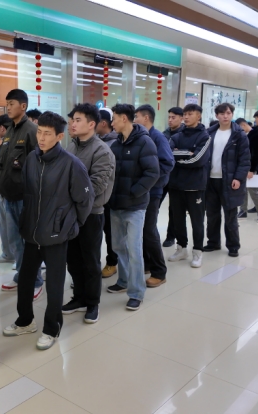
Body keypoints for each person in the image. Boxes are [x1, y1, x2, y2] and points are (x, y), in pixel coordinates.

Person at [2, 111, 93, 349]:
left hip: (56, 234)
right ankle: (25, 321)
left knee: (54, 284)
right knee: (25, 280)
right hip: (32, 232)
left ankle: (52, 328)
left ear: (60, 136)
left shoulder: (71, 164)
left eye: (47, 134)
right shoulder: (32, 158)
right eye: (39, 132)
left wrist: (70, 224)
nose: (41, 138)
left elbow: (85, 200)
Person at [61, 104, 114, 323]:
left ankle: (92, 303)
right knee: (72, 259)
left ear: (92, 124)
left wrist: (67, 193)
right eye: (72, 120)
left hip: (91, 213)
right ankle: (79, 298)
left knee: (90, 261)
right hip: (71, 212)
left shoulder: (102, 151)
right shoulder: (71, 146)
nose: (73, 124)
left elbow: (96, 185)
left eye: (78, 120)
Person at [106, 104, 159, 310]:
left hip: (135, 206)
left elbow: (153, 173)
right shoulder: (116, 143)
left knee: (135, 249)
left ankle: (136, 292)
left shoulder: (145, 142)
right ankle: (123, 280)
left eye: (114, 118)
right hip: (116, 204)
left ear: (124, 119)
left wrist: (133, 192)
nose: (112, 123)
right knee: (118, 246)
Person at [0, 89, 44, 299]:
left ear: (23, 106)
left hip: (24, 198)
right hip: (8, 196)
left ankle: (35, 280)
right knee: (15, 241)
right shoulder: (10, 131)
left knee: (28, 242)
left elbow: (39, 165)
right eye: (7, 103)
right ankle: (22, 275)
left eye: (11, 103)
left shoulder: (32, 131)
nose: (8, 107)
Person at [133, 104, 174, 288]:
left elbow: (167, 163)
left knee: (149, 230)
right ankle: (147, 264)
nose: (134, 120)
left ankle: (159, 271)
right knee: (142, 229)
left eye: (136, 117)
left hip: (153, 191)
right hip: (142, 191)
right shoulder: (140, 137)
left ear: (146, 118)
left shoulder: (158, 137)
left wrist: (152, 180)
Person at [167, 104, 210, 268]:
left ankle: (198, 251)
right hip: (176, 185)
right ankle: (181, 249)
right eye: (185, 114)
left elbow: (198, 159)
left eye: (190, 114)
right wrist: (188, 152)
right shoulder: (177, 135)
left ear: (198, 116)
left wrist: (179, 158)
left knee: (197, 221)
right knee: (177, 220)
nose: (186, 117)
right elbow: (168, 155)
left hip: (195, 186)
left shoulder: (205, 137)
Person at [204, 103, 250, 257]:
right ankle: (213, 242)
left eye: (228, 113)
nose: (225, 116)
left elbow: (244, 160)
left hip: (230, 181)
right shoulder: (209, 133)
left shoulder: (239, 134)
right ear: (217, 115)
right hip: (211, 180)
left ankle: (233, 245)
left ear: (232, 115)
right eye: (222, 113)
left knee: (230, 216)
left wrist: (238, 178)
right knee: (212, 215)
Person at [96, 109, 119, 278]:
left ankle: (112, 262)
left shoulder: (115, 143)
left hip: (111, 196)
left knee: (111, 233)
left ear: (103, 123)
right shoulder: (96, 141)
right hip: (98, 198)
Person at [0, 114, 15, 265]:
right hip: (2, 192)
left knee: (13, 228)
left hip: (11, 193)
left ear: (2, 128)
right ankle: (7, 253)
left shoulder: (12, 146)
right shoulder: (3, 145)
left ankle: (16, 257)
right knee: (4, 226)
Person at [162, 106, 184, 248]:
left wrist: (177, 151)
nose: (170, 120)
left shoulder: (184, 134)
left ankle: (171, 236)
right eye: (169, 117)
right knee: (154, 205)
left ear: (181, 119)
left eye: (173, 117)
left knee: (174, 209)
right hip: (163, 175)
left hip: (178, 176)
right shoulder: (164, 134)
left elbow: (186, 153)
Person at [237, 118, 258, 222]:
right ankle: (243, 210)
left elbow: (257, 154)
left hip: (251, 168)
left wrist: (252, 170)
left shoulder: (257, 134)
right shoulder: (245, 135)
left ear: (243, 125)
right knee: (242, 190)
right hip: (242, 166)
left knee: (253, 191)